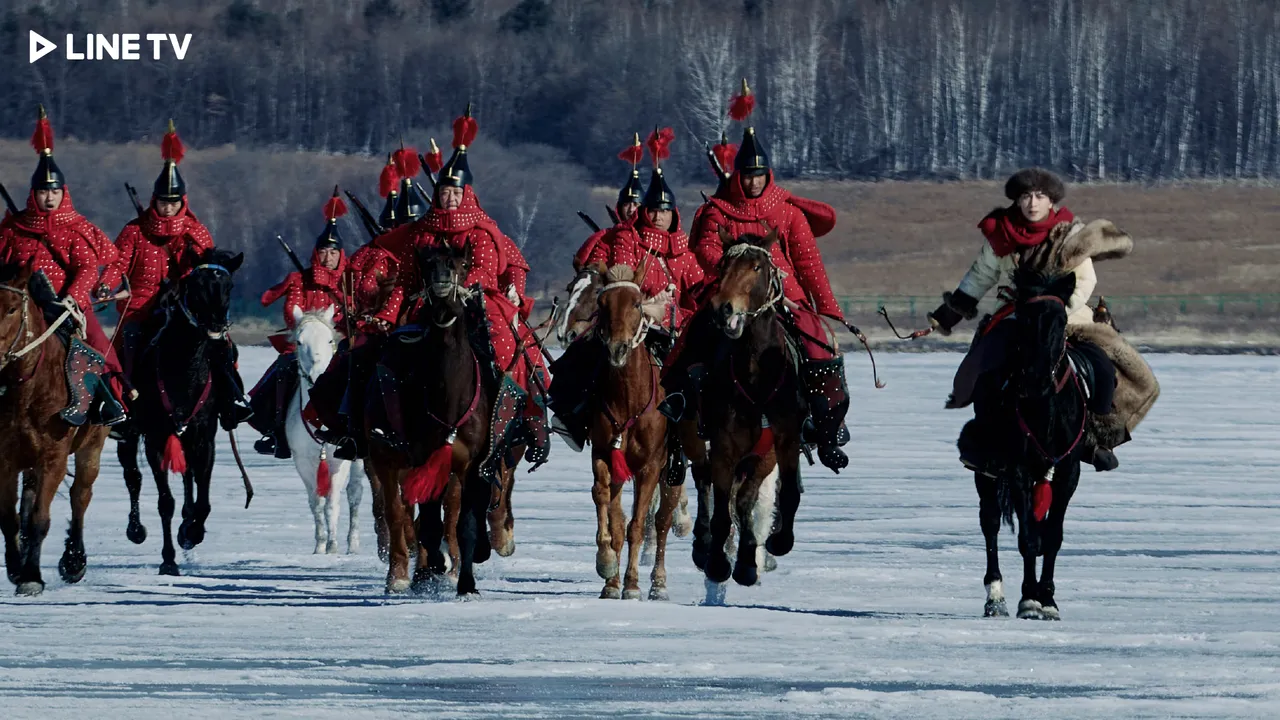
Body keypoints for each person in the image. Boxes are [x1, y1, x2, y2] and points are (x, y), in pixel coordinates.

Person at [666, 80, 851, 472]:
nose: (752, 181)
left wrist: (827, 309)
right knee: (694, 340)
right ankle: (682, 405)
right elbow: (705, 249)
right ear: (736, 176)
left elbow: (808, 262)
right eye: (746, 175)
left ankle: (827, 423)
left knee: (819, 345)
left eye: (758, 174)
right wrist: (732, 268)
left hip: (783, 297)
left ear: (768, 173)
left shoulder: (787, 211)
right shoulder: (718, 210)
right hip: (733, 292)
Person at [928, 167, 1159, 473]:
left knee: (1103, 367)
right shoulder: (1001, 234)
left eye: (1040, 196)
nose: (1032, 203)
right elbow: (980, 277)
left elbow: (1084, 280)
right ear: (1017, 200)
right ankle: (985, 441)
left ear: (1052, 201)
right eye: (1025, 196)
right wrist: (949, 314)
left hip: (1068, 318)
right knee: (984, 368)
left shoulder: (1071, 236)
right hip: (1013, 317)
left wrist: (1052, 314)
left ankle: (1096, 438)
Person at [550, 128, 704, 451]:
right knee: (586, 356)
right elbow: (622, 280)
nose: (657, 215)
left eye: (664, 210)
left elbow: (700, 299)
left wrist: (673, 312)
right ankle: (575, 414)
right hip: (632, 324)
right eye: (652, 209)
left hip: (674, 329)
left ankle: (701, 428)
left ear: (673, 213)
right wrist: (645, 306)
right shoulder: (626, 238)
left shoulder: (686, 254)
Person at [108, 119, 251, 432]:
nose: (168, 208)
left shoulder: (195, 232)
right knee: (125, 345)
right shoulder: (134, 231)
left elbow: (209, 270)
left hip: (187, 310)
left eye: (173, 202)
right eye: (163, 202)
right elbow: (117, 264)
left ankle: (231, 400)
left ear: (182, 201)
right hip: (141, 307)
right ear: (154, 200)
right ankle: (121, 404)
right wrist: (108, 286)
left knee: (223, 345)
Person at [0, 105, 126, 426]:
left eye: (54, 192)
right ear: (34, 194)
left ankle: (106, 401)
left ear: (63, 193)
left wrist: (71, 298)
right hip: (23, 305)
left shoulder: (75, 228)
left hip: (66, 307)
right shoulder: (13, 229)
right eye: (43, 192)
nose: (49, 198)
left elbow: (87, 267)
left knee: (96, 345)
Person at [249, 187, 352, 458]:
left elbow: (350, 312)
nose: (328, 257)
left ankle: (354, 429)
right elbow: (290, 310)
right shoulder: (299, 280)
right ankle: (276, 428)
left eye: (333, 252)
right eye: (323, 251)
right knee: (283, 370)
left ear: (341, 254)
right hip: (302, 344)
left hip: (337, 344)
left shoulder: (347, 282)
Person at [573, 133, 645, 270]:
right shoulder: (607, 238)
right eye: (626, 204)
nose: (630, 210)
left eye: (636, 204)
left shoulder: (652, 236)